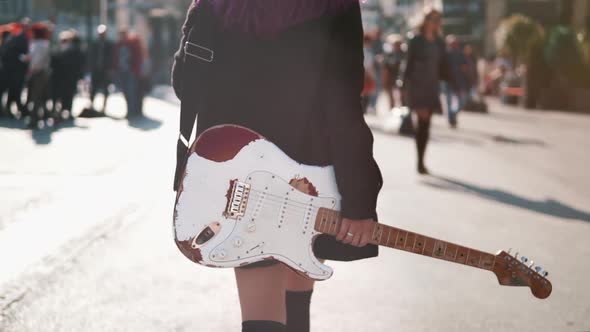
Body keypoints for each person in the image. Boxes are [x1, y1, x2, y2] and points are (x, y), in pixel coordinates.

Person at [172, 1, 383, 331]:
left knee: (260, 319)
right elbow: (343, 104)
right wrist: (359, 200)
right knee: (296, 308)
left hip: (239, 174)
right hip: (308, 178)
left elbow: (186, 83)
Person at [403, 8, 452, 175]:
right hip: (417, 85)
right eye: (433, 19)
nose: (436, 22)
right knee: (422, 120)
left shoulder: (439, 41)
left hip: (432, 85)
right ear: (426, 20)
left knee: (426, 124)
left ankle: (422, 159)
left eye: (438, 19)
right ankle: (420, 162)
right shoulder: (415, 39)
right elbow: (408, 63)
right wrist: (404, 86)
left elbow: (443, 65)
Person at [51, 30, 85, 119]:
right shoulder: (58, 50)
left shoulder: (73, 50)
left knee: (69, 95)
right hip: (59, 77)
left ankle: (67, 110)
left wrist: (79, 76)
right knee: (60, 95)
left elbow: (79, 64)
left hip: (70, 77)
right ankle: (59, 110)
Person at [2, 18, 30, 118]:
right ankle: (18, 110)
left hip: (16, 70)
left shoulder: (20, 37)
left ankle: (12, 109)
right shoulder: (18, 38)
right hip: (15, 70)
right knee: (15, 91)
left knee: (14, 91)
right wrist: (23, 58)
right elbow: (11, 53)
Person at [112, 29, 144, 118]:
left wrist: (136, 70)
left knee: (131, 91)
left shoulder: (133, 44)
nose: (122, 37)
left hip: (131, 72)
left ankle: (132, 112)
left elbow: (138, 58)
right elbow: (115, 58)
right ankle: (129, 110)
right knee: (125, 92)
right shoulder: (118, 45)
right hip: (121, 71)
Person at [26, 24, 51, 128]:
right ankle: (45, 115)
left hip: (38, 72)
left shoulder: (38, 44)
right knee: (42, 95)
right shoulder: (45, 43)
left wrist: (32, 68)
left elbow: (36, 60)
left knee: (36, 96)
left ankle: (34, 119)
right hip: (43, 72)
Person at [88, 25, 114, 113]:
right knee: (93, 88)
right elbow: (90, 57)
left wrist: (110, 69)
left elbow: (112, 58)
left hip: (105, 70)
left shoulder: (110, 45)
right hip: (96, 70)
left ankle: (104, 106)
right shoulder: (94, 44)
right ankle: (91, 104)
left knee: (106, 88)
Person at [443, 35, 468, 127]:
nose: (453, 45)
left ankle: (453, 114)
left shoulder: (460, 54)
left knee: (462, 101)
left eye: (454, 43)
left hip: (459, 81)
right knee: (449, 102)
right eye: (451, 43)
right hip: (448, 82)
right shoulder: (445, 54)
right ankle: (451, 119)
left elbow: (465, 67)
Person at [382, 34, 405, 110]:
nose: (397, 46)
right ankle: (392, 111)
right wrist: (385, 81)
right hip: (391, 78)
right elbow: (385, 69)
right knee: (391, 97)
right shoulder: (389, 55)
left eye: (398, 44)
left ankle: (402, 111)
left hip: (402, 78)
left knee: (402, 96)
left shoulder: (404, 54)